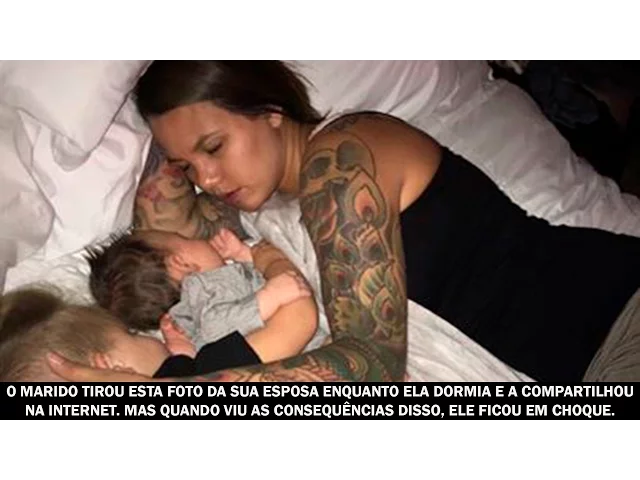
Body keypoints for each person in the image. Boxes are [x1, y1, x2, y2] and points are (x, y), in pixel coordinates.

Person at [47, 60, 640, 383]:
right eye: (187, 165)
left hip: (612, 324)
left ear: (270, 111)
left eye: (214, 147)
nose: (207, 176)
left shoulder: (344, 159)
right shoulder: (263, 210)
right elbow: (204, 250)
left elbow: (372, 363)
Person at [85, 225, 320, 360]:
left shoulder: (199, 302)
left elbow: (249, 284)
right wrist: (269, 296)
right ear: (182, 262)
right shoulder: (202, 290)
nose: (197, 238)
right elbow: (217, 325)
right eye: (184, 238)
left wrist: (243, 255)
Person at [0, 287, 267, 381]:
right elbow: (290, 326)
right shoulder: (208, 370)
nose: (147, 335)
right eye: (131, 333)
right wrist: (274, 264)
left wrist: (182, 353)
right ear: (109, 367)